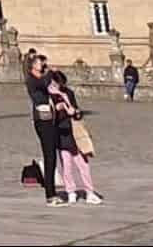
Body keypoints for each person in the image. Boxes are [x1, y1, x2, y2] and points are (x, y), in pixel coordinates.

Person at [48, 70, 101, 204]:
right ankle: (70, 190)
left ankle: (89, 191)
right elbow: (48, 117)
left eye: (61, 84)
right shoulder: (49, 96)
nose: (59, 86)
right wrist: (57, 109)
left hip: (74, 132)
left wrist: (74, 111)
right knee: (66, 165)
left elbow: (77, 112)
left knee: (83, 164)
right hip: (61, 133)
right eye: (57, 83)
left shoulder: (68, 93)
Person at [25, 53, 64, 205]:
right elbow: (43, 83)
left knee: (52, 155)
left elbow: (56, 82)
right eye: (40, 62)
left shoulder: (41, 78)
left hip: (50, 118)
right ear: (33, 65)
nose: (42, 64)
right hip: (42, 120)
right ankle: (50, 194)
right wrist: (49, 72)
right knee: (49, 155)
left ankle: (52, 191)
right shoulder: (32, 80)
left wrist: (55, 74)